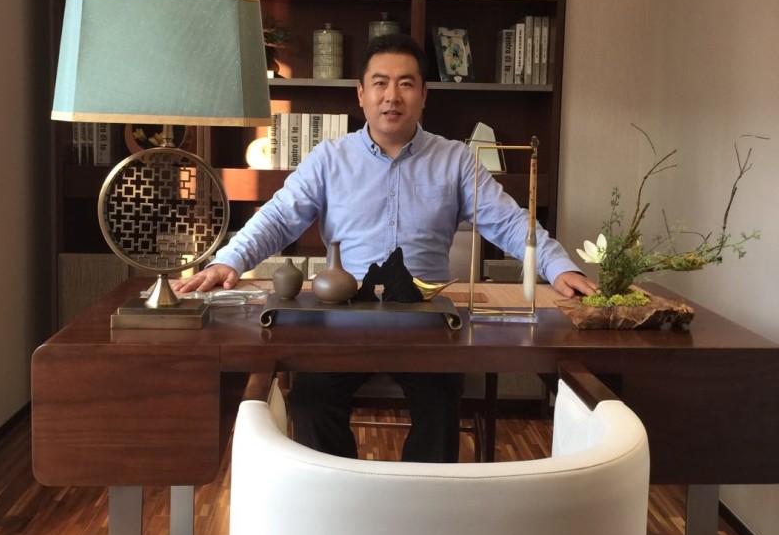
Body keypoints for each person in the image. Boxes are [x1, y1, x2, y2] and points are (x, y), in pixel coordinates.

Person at [176, 33, 595, 462]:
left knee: (440, 402)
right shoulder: (329, 159)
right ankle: (342, 491)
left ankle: (419, 497)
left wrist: (559, 267)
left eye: (406, 83)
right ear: (361, 93)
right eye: (380, 83)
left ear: (424, 95)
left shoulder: (456, 160)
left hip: (427, 322)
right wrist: (230, 260)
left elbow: (508, 221)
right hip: (341, 320)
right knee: (311, 400)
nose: (392, 96)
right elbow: (280, 216)